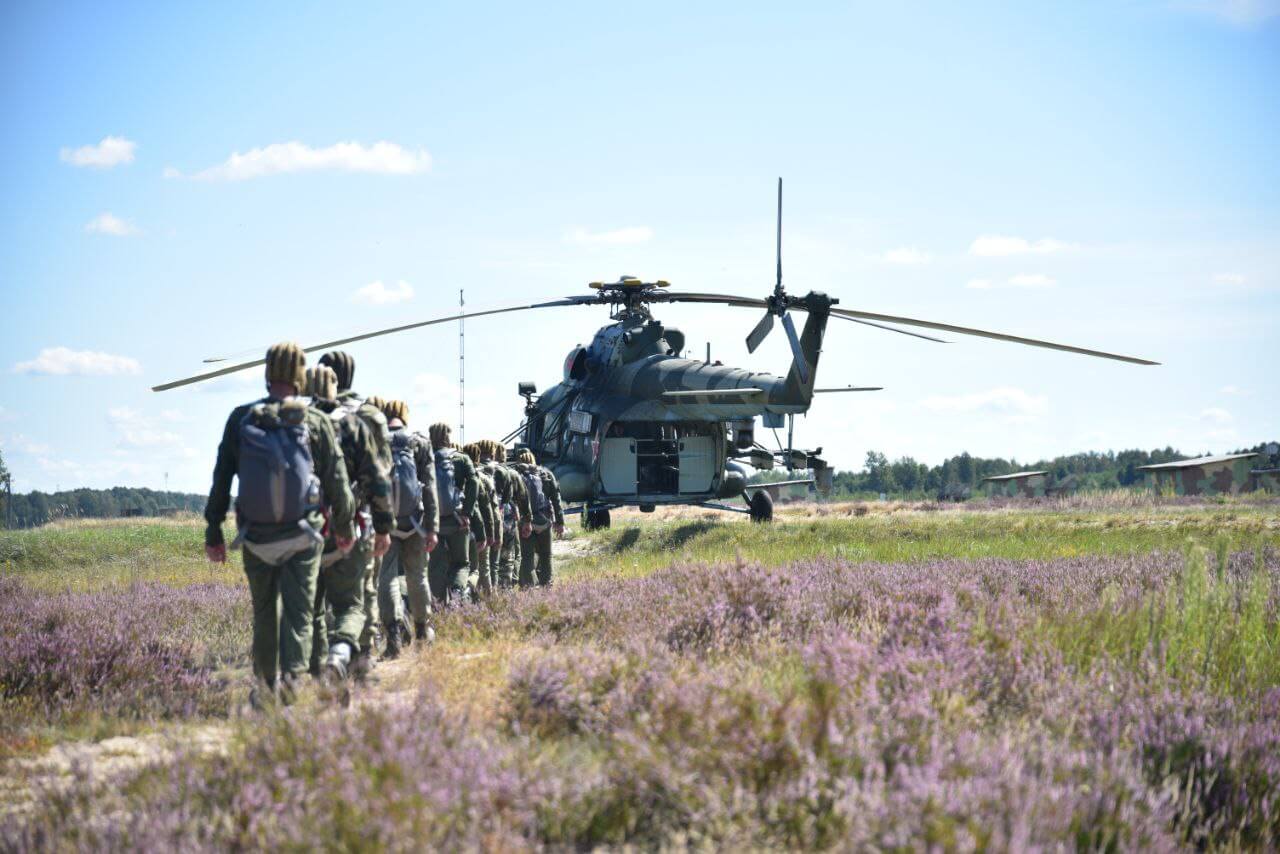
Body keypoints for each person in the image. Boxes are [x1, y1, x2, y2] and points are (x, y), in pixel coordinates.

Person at [205, 342, 355, 708]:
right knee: (299, 615)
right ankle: (290, 683)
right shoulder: (315, 421)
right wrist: (345, 527)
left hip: (255, 537)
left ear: (268, 374)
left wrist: (214, 531)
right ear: (300, 376)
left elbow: (222, 479)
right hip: (303, 536)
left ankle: (265, 686)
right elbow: (336, 481)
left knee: (264, 613)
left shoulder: (241, 418)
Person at [303, 365, 393, 685]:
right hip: (348, 527)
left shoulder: (292, 422)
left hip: (299, 530)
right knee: (353, 602)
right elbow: (378, 477)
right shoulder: (356, 422)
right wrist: (383, 526)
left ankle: (317, 675)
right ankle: (346, 658)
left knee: (309, 610)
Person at [376, 399, 439, 658]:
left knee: (387, 578)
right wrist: (432, 526)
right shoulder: (420, 442)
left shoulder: (376, 441)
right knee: (418, 576)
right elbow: (431, 487)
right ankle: (423, 631)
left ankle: (393, 636)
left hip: (385, 523)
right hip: (415, 522)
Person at [425, 423, 479, 605]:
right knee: (461, 564)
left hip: (432, 521)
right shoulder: (462, 459)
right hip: (457, 519)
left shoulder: (424, 459)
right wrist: (467, 512)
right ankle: (457, 594)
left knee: (435, 567)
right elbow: (474, 483)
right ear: (448, 438)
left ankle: (439, 606)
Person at [479, 440, 531, 589]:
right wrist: (527, 520)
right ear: (493, 452)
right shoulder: (509, 472)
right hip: (505, 521)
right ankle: (504, 590)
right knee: (506, 559)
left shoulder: (474, 470)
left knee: (483, 562)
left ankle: (482, 594)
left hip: (481, 520)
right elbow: (523, 497)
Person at [512, 448, 565, 587]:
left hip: (525, 522)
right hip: (544, 521)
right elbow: (556, 500)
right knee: (546, 555)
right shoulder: (546, 474)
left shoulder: (516, 475)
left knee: (527, 556)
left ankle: (530, 588)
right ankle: (547, 586)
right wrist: (560, 522)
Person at [461, 443, 499, 597]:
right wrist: (492, 533)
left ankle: (464, 598)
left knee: (463, 567)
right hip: (480, 529)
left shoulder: (457, 476)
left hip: (460, 527)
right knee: (483, 568)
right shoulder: (484, 478)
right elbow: (491, 508)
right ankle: (487, 600)